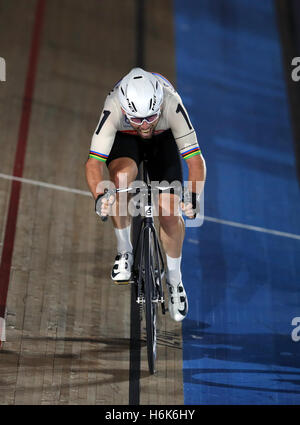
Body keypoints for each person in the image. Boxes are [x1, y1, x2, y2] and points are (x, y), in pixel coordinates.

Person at [85, 68, 206, 322]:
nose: (144, 126)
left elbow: (195, 161)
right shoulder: (113, 107)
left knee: (170, 212)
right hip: (125, 140)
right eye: (137, 120)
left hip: (164, 141)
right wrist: (100, 196)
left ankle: (175, 281)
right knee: (119, 181)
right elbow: (93, 163)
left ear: (159, 105)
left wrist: (193, 196)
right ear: (125, 110)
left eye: (150, 118)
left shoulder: (172, 104)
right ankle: (124, 250)